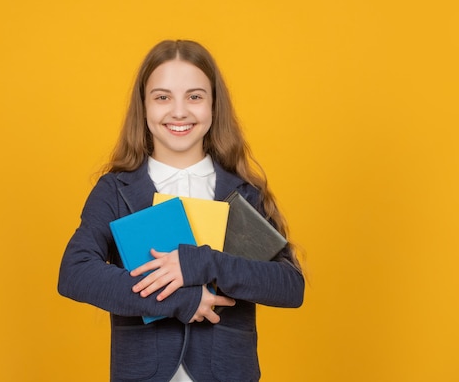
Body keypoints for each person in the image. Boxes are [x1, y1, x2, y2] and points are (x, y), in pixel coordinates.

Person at [58, 39, 304, 382]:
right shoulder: (115, 190)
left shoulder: (242, 193)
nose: (179, 111)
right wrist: (180, 299)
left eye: (194, 96)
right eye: (162, 97)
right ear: (143, 108)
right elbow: (75, 273)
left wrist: (204, 264)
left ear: (214, 106)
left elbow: (290, 286)